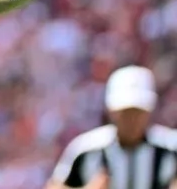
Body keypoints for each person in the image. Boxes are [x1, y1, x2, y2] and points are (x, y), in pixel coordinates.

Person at [47, 65, 177, 189]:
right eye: (125, 112)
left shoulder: (170, 148)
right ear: (110, 111)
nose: (131, 119)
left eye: (137, 112)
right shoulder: (87, 149)